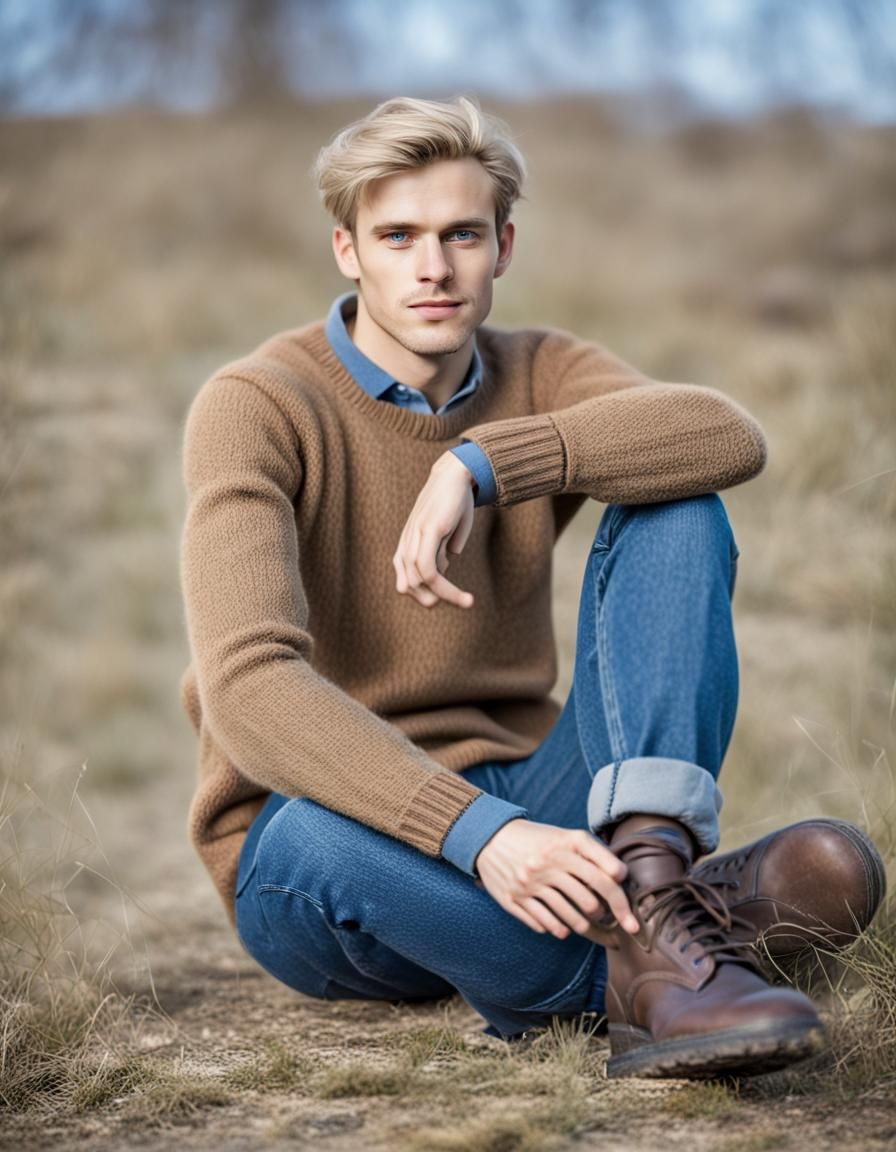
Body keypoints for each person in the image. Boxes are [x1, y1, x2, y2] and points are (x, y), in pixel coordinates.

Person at [178, 96, 885, 1079]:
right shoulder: (258, 405)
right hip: (330, 836)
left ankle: (644, 892)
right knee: (313, 836)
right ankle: (660, 955)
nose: (433, 268)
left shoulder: (540, 369)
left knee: (679, 504)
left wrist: (479, 464)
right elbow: (249, 692)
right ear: (346, 249)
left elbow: (725, 436)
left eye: (461, 234)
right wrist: (485, 838)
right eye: (398, 237)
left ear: (502, 245)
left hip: (533, 788)